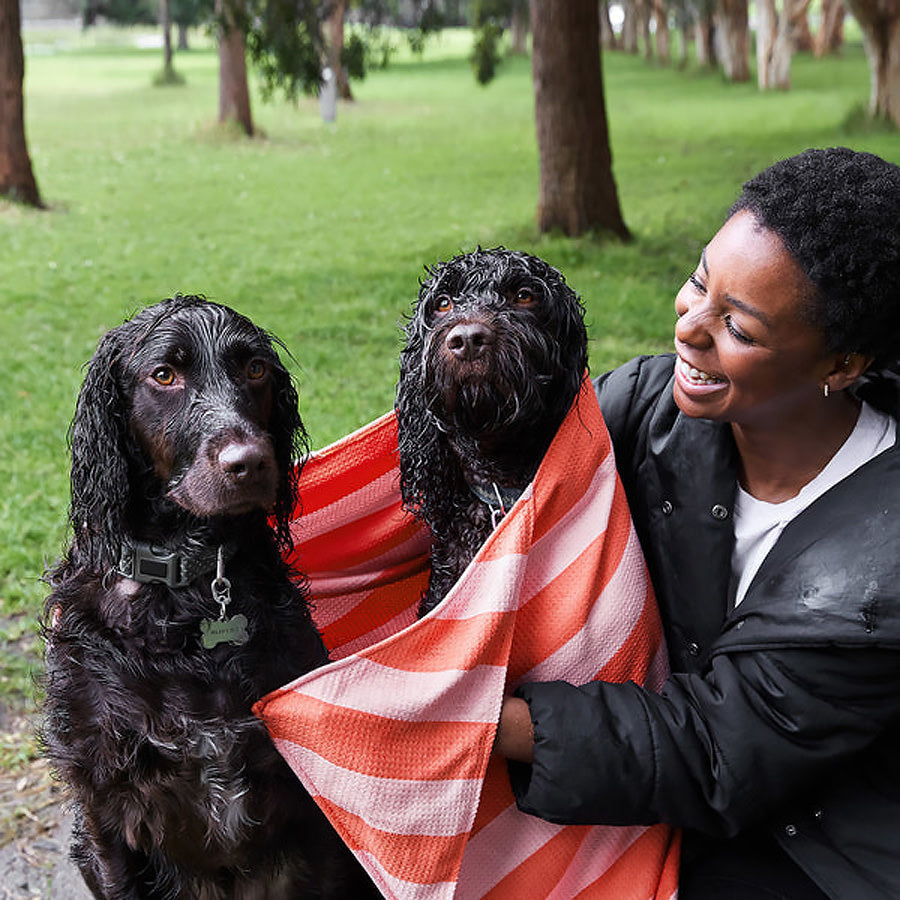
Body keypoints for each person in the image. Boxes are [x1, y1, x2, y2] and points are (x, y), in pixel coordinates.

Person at [494, 147, 900, 899]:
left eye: (739, 328)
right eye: (698, 282)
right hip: (664, 797)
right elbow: (491, 469)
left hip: (824, 849)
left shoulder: (884, 567)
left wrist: (470, 719)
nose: (690, 327)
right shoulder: (648, 411)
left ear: (841, 365)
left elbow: (715, 749)